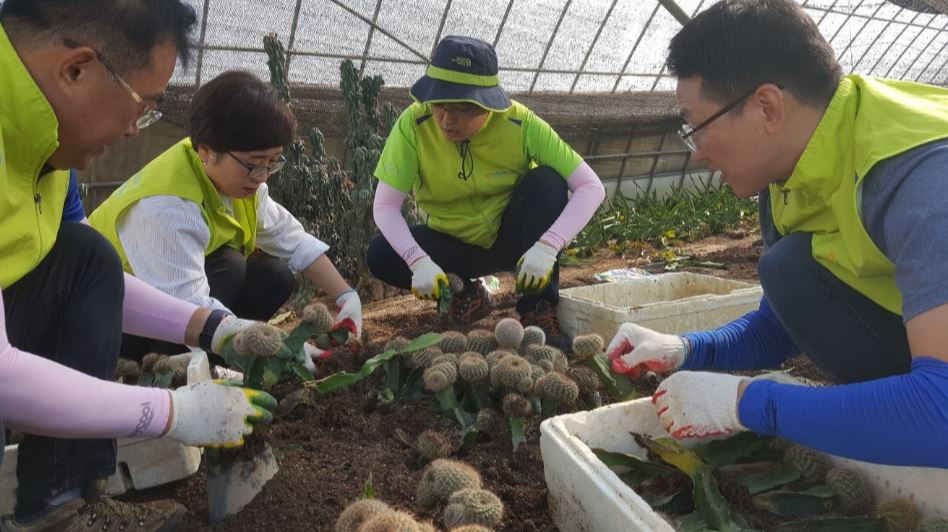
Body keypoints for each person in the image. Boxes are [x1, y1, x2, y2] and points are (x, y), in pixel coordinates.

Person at [608, 0, 948, 468]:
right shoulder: (790, 172)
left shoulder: (923, 177)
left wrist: (751, 402)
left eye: (696, 126)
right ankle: (891, 416)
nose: (696, 152)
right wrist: (686, 348)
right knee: (788, 269)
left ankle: (902, 419)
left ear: (767, 107)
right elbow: (783, 324)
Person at [0, 1, 280, 529]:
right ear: (75, 69)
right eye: (143, 105)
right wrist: (172, 414)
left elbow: (91, 274)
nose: (136, 129)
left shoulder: (45, 146)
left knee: (84, 255)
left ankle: (57, 510)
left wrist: (216, 329)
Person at [89, 70, 363, 362]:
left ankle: (220, 360)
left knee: (275, 275)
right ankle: (169, 370)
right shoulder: (166, 208)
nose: (262, 176)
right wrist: (276, 346)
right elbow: (186, 307)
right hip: (112, 326)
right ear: (207, 151)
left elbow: (293, 240)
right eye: (254, 164)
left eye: (272, 163)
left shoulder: (240, 183)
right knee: (229, 265)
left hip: (177, 312)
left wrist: (347, 296)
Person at [367, 35, 606, 350]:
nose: (447, 120)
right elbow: (385, 206)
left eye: (464, 109)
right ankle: (465, 293)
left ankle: (537, 307)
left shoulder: (520, 124)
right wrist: (417, 260)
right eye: (440, 104)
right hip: (453, 244)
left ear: (489, 104)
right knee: (381, 254)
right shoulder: (415, 123)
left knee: (547, 181)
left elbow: (590, 187)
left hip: (515, 240)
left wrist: (548, 247)